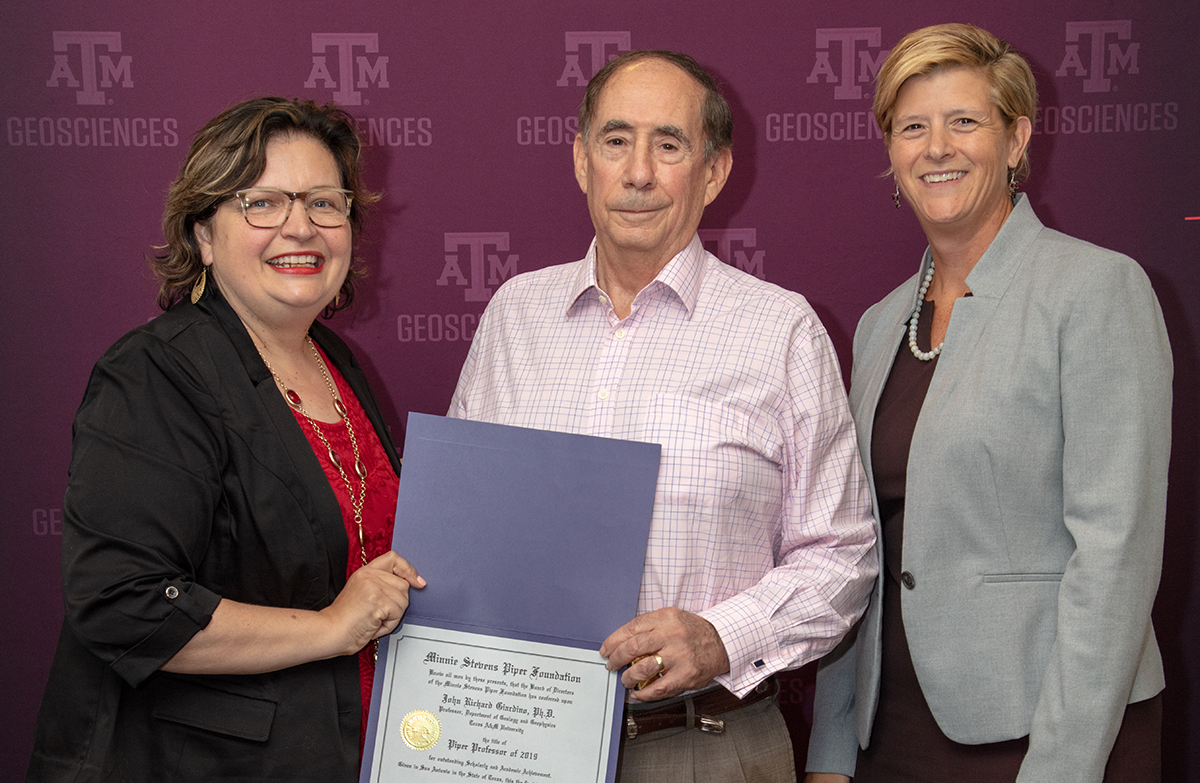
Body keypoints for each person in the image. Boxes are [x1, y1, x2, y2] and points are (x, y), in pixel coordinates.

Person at [448, 50, 877, 781]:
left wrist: (720, 636)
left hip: (705, 744)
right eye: (616, 141)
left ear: (713, 172)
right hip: (523, 740)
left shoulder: (781, 330)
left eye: (669, 145)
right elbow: (460, 526)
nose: (639, 171)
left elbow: (843, 552)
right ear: (582, 160)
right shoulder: (514, 317)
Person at [804, 23, 1171, 783]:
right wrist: (832, 748)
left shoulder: (1097, 290)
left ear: (1017, 140)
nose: (937, 146)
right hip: (891, 730)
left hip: (1050, 729)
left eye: (964, 121)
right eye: (913, 127)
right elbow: (856, 548)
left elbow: (1116, 555)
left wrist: (1061, 765)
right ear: (892, 156)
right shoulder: (878, 325)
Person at [26, 97, 424, 783]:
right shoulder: (156, 373)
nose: (300, 227)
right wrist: (333, 626)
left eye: (326, 204)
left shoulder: (339, 362)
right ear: (204, 234)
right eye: (263, 203)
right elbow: (124, 603)